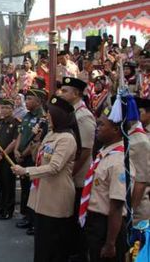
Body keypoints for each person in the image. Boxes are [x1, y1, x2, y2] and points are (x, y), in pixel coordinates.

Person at [12, 96, 80, 262]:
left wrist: (26, 171)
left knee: (53, 244)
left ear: (59, 116)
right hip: (43, 195)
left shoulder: (67, 138)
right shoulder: (51, 134)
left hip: (56, 197)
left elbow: (54, 167)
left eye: (50, 114)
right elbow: (40, 158)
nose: (46, 117)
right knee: (42, 242)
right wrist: (36, 141)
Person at [82, 109, 131, 262]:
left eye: (101, 125)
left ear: (116, 130)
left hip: (107, 226)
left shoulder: (118, 161)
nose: (97, 128)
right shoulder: (105, 152)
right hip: (96, 222)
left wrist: (110, 243)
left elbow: (117, 206)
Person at [59, 77, 96, 261]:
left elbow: (86, 150)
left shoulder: (84, 116)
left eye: (65, 91)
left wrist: (70, 173)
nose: (61, 93)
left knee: (78, 218)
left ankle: (80, 254)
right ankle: (71, 250)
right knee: (70, 217)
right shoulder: (72, 112)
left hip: (79, 177)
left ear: (76, 94)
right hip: (70, 175)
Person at [13, 88, 48, 234]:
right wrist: (16, 150)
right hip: (21, 156)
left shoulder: (42, 118)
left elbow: (35, 140)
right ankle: (27, 217)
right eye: (26, 99)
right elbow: (20, 134)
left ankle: (34, 221)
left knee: (34, 190)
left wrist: (23, 153)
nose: (26, 102)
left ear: (39, 101)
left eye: (29, 99)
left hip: (31, 158)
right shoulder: (26, 116)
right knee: (25, 188)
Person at [0, 98, 19, 220]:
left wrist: (1, 155)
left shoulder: (16, 122)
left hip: (8, 158)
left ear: (12, 109)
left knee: (8, 184)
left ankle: (8, 210)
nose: (4, 110)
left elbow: (14, 142)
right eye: (2, 107)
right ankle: (0, 207)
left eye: (7, 108)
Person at [129, 97, 150, 224]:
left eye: (140, 112)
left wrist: (130, 210)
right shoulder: (131, 133)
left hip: (138, 204)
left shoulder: (141, 140)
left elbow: (141, 182)